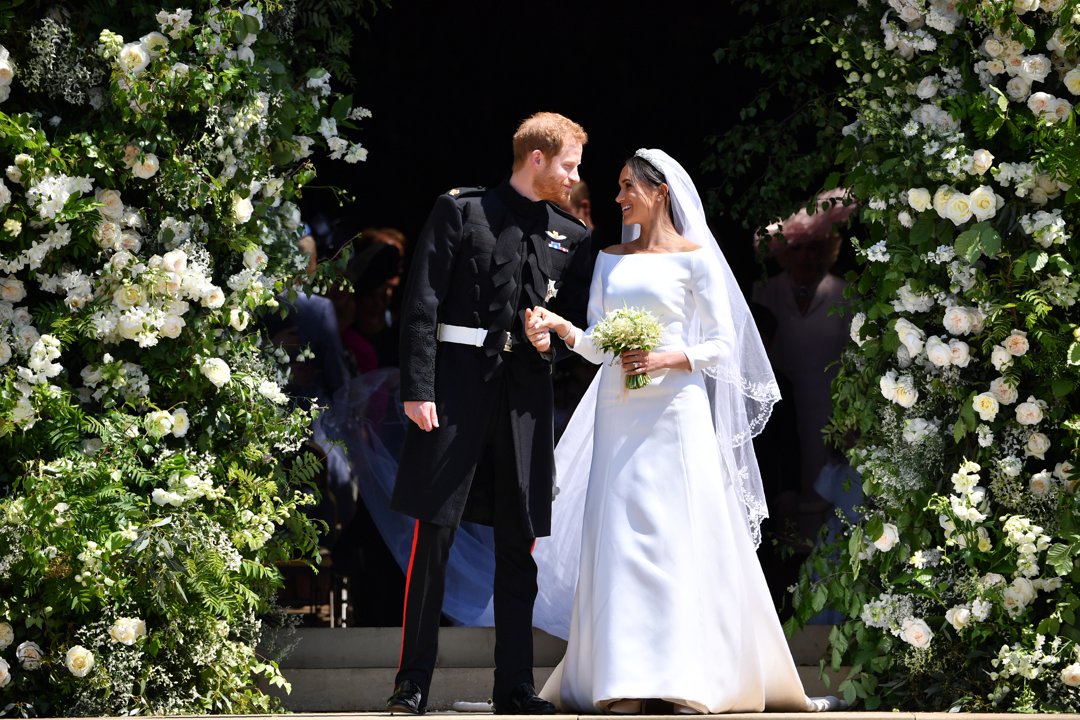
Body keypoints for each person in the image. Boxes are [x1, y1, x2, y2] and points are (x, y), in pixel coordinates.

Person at [525, 149, 842, 714]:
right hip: (619, 413)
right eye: (618, 187)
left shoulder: (696, 260)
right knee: (620, 538)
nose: (619, 197)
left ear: (660, 191)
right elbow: (600, 345)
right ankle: (621, 680)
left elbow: (724, 344)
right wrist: (562, 329)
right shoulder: (609, 260)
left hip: (676, 414)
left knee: (678, 536)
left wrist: (666, 358)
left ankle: (685, 678)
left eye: (627, 187)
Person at [385, 112, 593, 716]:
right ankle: (412, 680)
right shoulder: (461, 210)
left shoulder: (568, 233)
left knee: (518, 542)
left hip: (525, 398)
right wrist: (417, 388)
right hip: (453, 390)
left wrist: (549, 338)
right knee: (435, 536)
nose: (576, 177)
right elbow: (421, 301)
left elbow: (574, 325)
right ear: (537, 158)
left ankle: (514, 686)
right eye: (569, 165)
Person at [752, 191, 855, 514]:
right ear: (784, 252)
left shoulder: (844, 294)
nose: (806, 256)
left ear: (827, 249)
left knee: (824, 497)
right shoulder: (764, 292)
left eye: (814, 248)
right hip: (779, 408)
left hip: (828, 410)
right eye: (797, 249)